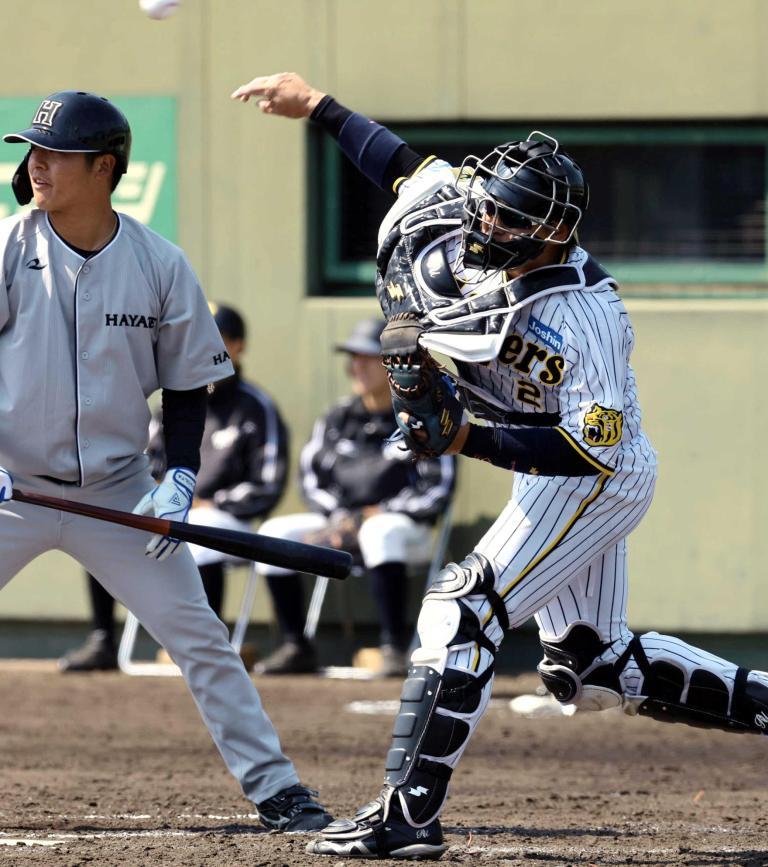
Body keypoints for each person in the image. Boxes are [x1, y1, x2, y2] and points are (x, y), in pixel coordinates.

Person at [232, 73, 768, 860]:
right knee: (589, 667)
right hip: (539, 457)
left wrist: (464, 439)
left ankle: (407, 815)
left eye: (510, 217)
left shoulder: (585, 315)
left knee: (461, 611)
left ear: (553, 234)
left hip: (594, 472)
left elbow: (586, 449)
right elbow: (400, 165)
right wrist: (318, 104)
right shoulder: (461, 222)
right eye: (488, 204)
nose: (487, 220)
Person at [0, 90, 331, 832]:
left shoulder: (159, 263)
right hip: (9, 486)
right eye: (34, 150)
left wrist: (181, 475)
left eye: (55, 152)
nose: (37, 164)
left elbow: (187, 386)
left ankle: (276, 787)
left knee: (202, 637)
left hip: (118, 492)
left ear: (104, 167)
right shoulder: (7, 244)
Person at [58, 301, 290, 672]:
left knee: (201, 527)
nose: (205, 348)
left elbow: (267, 484)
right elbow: (141, 463)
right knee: (103, 527)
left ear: (239, 346)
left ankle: (204, 645)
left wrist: (209, 502)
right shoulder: (173, 404)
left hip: (228, 520)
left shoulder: (256, 407)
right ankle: (103, 639)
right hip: (172, 509)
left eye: (218, 339)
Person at [254, 317, 456, 676]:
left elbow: (436, 490)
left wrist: (372, 515)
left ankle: (393, 648)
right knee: (273, 533)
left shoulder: (420, 416)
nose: (356, 367)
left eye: (366, 357)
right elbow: (311, 476)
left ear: (392, 364)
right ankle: (295, 646)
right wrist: (340, 518)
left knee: (378, 531)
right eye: (353, 358)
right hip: (338, 523)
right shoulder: (338, 416)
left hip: (404, 530)